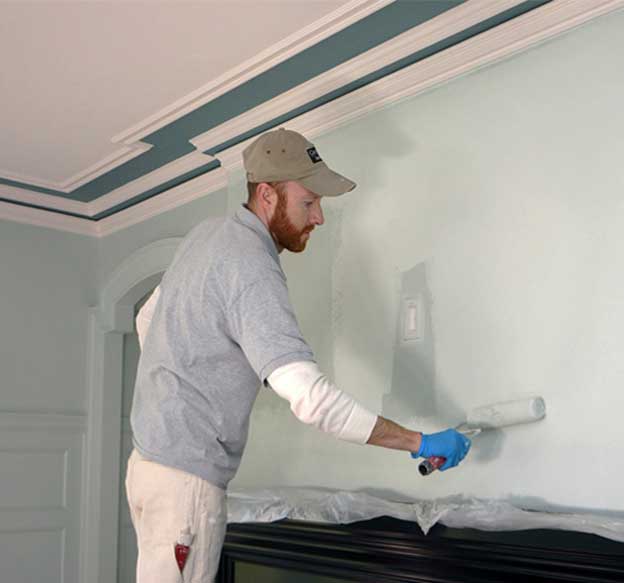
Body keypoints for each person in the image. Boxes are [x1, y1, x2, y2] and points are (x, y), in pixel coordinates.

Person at [125, 128, 471, 583]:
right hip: (185, 482)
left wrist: (193, 374)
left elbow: (149, 320)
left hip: (148, 468)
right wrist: (419, 442)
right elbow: (311, 400)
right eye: (309, 202)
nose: (320, 218)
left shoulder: (207, 236)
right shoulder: (251, 266)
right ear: (266, 194)